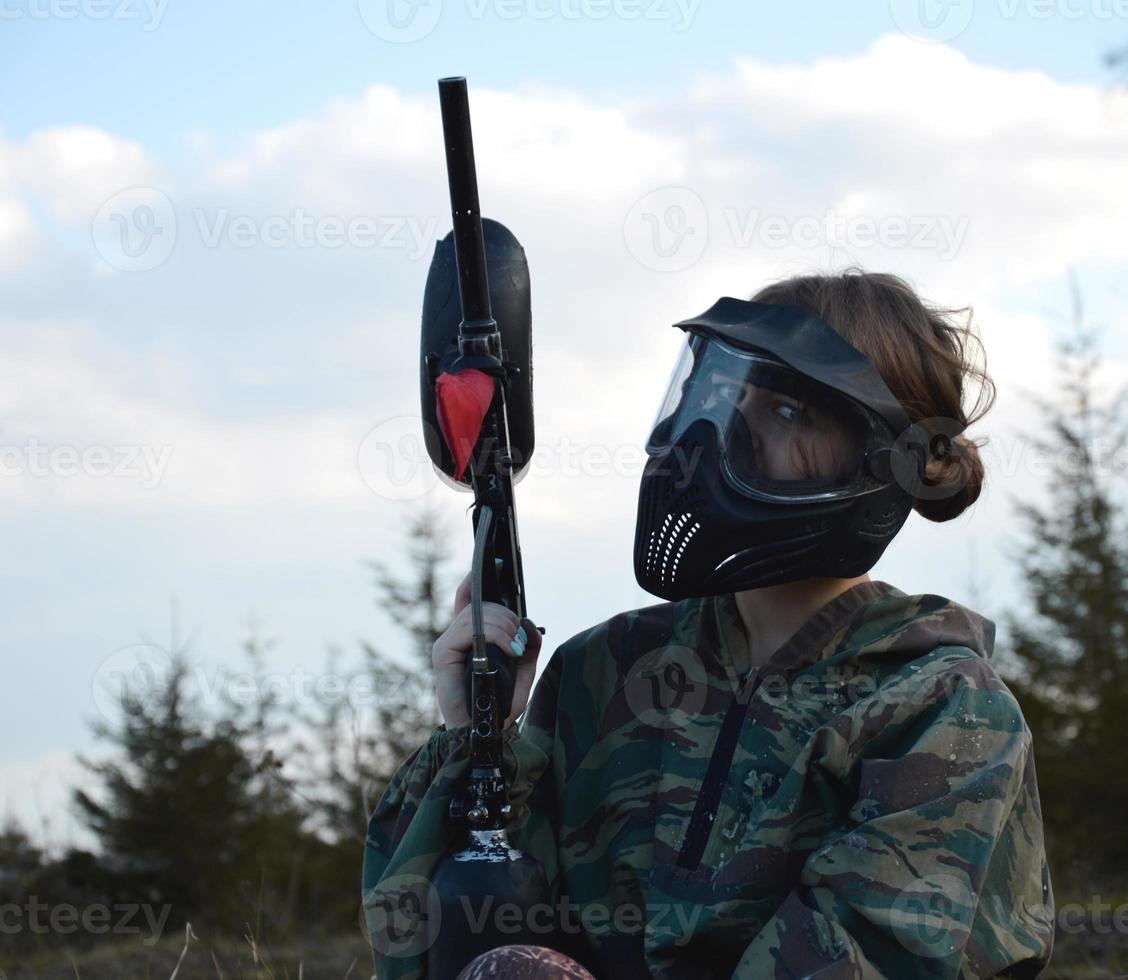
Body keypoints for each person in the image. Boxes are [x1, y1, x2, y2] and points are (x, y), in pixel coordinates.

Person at [364, 270, 1055, 979]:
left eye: (786, 414)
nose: (724, 438)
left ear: (875, 459)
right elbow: (428, 948)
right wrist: (476, 740)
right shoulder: (606, 671)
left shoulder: (938, 707)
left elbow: (865, 959)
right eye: (726, 396)